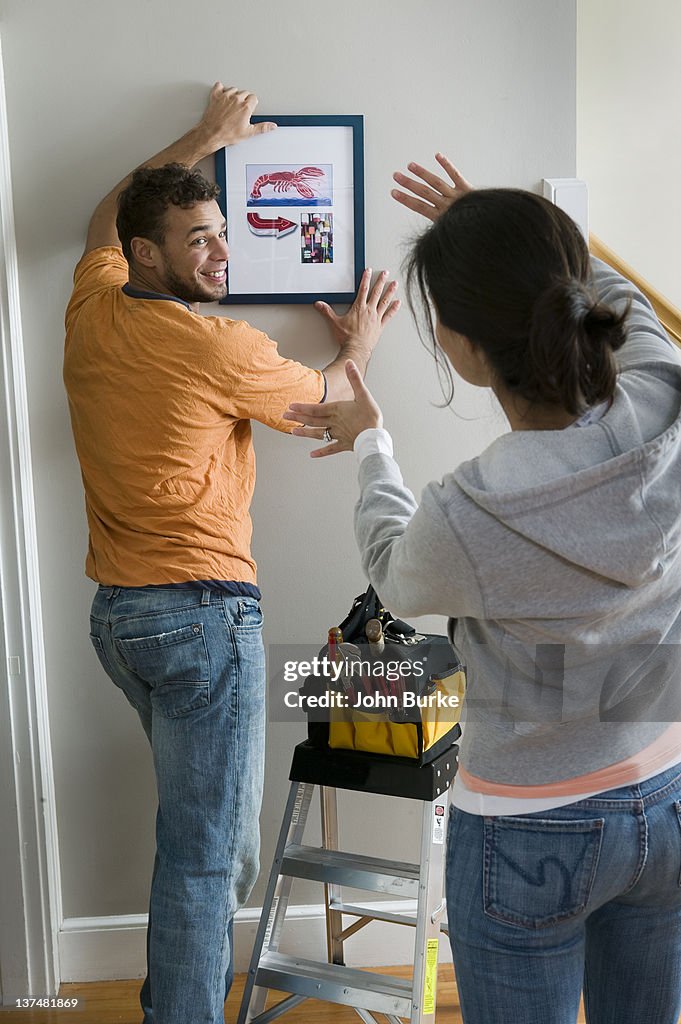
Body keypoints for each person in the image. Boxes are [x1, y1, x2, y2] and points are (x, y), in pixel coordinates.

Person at [285, 156, 681, 1023]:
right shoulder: (660, 397)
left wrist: (370, 443)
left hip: (529, 825)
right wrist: (519, 238)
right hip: (664, 788)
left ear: (463, 351)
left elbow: (393, 568)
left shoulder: (470, 512)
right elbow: (637, 310)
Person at [63, 82, 398, 1024]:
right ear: (146, 254)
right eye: (199, 239)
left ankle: (173, 996)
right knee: (211, 853)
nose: (222, 252)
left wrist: (206, 139)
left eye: (222, 229)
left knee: (198, 839)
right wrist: (365, 338)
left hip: (121, 622)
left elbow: (99, 213)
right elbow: (329, 398)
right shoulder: (215, 346)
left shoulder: (92, 304)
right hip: (202, 619)